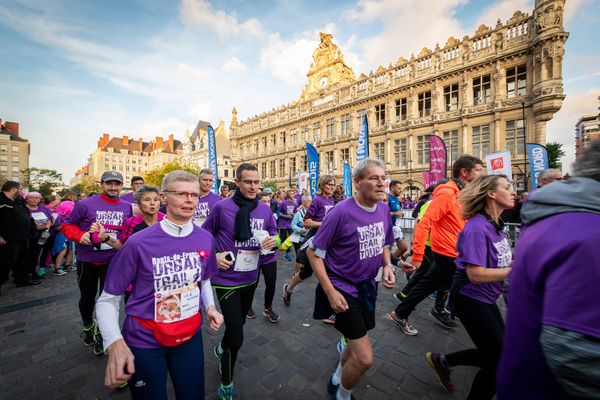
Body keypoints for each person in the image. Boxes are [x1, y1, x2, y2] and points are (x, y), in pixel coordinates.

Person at [96, 170, 223, 399]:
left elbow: (203, 279)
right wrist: (114, 342)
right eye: (181, 194)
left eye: (194, 195)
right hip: (145, 340)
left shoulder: (205, 238)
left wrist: (210, 307)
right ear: (164, 197)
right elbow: (108, 299)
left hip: (189, 336)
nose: (189, 200)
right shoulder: (138, 242)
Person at [497, 139, 600, 399]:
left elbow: (512, 288)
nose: (512, 192)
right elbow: (574, 353)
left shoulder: (552, 218)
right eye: (506, 188)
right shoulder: (586, 233)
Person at [307, 158, 396, 400]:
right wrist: (330, 291)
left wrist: (387, 265)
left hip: (369, 287)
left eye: (383, 177)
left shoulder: (383, 209)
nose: (381, 183)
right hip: (342, 288)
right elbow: (313, 253)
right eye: (374, 178)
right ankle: (342, 395)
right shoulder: (341, 212)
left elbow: (384, 242)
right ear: (357, 182)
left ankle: (337, 377)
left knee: (355, 340)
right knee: (365, 358)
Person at [425, 175, 514, 399]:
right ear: (491, 194)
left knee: (498, 353)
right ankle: (444, 361)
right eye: (508, 187)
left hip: (486, 297)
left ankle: (443, 361)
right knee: (499, 360)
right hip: (470, 297)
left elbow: (497, 262)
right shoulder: (476, 228)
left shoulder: (496, 226)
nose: (513, 191)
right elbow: (476, 274)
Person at [202, 163, 278, 400]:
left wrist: (274, 241)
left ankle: (222, 348)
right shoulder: (221, 208)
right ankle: (226, 380)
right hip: (226, 280)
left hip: (251, 277)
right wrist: (213, 256)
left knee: (239, 326)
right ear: (237, 183)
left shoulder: (264, 210)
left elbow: (275, 234)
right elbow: (203, 236)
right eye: (248, 182)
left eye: (257, 182)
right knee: (237, 336)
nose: (254, 186)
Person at [390, 155, 483, 335]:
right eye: (478, 171)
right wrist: (417, 256)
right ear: (464, 172)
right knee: (464, 292)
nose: (481, 174)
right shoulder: (447, 193)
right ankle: (483, 329)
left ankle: (400, 313)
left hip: (453, 251)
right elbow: (424, 223)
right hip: (445, 252)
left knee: (427, 285)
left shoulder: (461, 193)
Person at [61, 171, 132, 356]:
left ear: (122, 185)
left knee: (107, 300)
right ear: (102, 184)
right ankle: (87, 326)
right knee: (87, 299)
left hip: (112, 260)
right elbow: (67, 225)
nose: (113, 188)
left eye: (117, 184)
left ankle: (103, 335)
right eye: (109, 184)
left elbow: (128, 230)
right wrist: (80, 235)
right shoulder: (85, 204)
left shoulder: (126, 207)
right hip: (87, 261)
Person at [281, 175, 336, 318]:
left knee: (330, 273)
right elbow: (307, 222)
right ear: (322, 186)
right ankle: (288, 288)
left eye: (333, 184)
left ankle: (329, 310)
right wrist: (324, 224)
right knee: (307, 273)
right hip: (316, 239)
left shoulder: (332, 200)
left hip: (329, 241)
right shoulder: (317, 201)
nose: (332, 187)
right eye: (329, 184)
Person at [247, 192, 281, 323]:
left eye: (269, 201)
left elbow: (275, 233)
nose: (267, 204)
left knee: (271, 284)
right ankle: (248, 305)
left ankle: (268, 308)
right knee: (252, 285)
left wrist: (275, 241)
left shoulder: (269, 214)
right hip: (253, 256)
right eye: (264, 201)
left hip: (269, 256)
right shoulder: (247, 212)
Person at [0, 181, 39, 292]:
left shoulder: (18, 201)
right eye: (20, 189)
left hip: (22, 237)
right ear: (13, 189)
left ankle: (22, 279)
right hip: (8, 238)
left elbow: (26, 215)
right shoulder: (2, 200)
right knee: (5, 263)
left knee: (23, 260)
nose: (22, 192)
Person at [24, 192, 53, 278]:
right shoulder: (23, 209)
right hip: (28, 235)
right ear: (27, 199)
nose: (34, 199)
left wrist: (46, 230)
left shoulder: (43, 209)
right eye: (31, 197)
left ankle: (33, 272)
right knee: (26, 254)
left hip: (42, 234)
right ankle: (25, 273)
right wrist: (35, 227)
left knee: (36, 253)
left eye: (36, 198)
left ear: (40, 200)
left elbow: (49, 220)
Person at [277, 190, 295, 262]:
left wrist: (294, 214)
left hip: (290, 223)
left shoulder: (294, 203)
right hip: (283, 223)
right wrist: (287, 216)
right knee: (284, 237)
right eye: (291, 194)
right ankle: (282, 250)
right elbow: (278, 212)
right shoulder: (283, 203)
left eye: (293, 194)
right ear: (288, 195)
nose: (293, 195)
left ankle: (286, 250)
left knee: (292, 237)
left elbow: (294, 212)